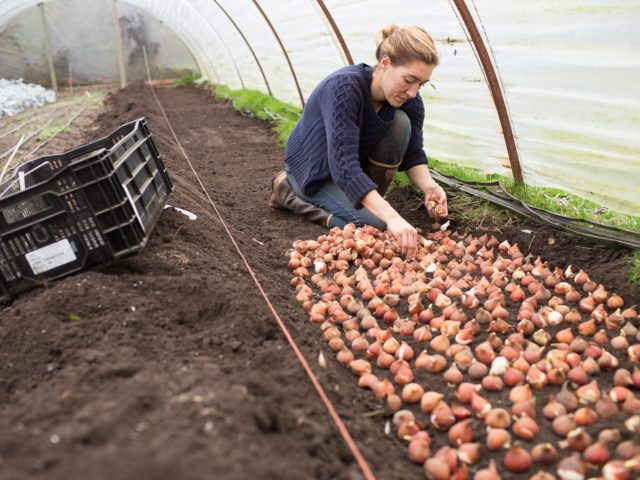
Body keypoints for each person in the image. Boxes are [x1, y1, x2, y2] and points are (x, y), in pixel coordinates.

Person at [269, 24, 448, 260]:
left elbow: (413, 153)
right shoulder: (344, 87)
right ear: (385, 63)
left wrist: (429, 187)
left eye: (421, 84)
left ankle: (366, 202)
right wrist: (392, 217)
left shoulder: (410, 101)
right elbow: (344, 166)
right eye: (409, 80)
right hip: (315, 171)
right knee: (374, 226)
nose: (413, 92)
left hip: (350, 172)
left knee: (401, 123)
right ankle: (288, 193)